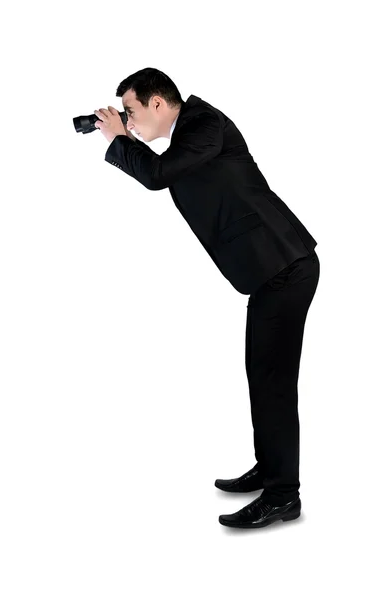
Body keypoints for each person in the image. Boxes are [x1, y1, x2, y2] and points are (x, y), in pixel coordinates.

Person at [94, 67, 320, 529]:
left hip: (285, 267)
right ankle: (273, 469)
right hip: (269, 272)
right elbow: (164, 170)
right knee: (262, 375)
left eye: (132, 111)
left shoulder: (203, 124)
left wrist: (119, 140)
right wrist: (123, 135)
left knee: (273, 382)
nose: (131, 121)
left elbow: (158, 176)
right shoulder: (188, 136)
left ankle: (283, 495)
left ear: (158, 102)